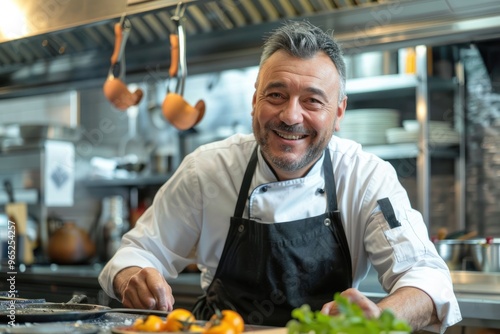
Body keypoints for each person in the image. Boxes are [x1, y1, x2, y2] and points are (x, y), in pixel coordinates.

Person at [98, 20, 462, 333]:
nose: (290, 116)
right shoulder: (207, 169)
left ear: (338, 113)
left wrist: (380, 318)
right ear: (254, 101)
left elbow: (428, 278)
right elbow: (137, 252)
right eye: (276, 94)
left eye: (312, 101)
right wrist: (133, 276)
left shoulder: (367, 177)